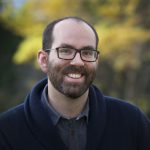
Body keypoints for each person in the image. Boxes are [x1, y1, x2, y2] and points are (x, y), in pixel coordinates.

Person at [0, 16, 150, 150]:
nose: (78, 62)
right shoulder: (7, 130)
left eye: (87, 52)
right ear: (43, 60)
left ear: (96, 60)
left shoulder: (131, 122)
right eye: (65, 50)